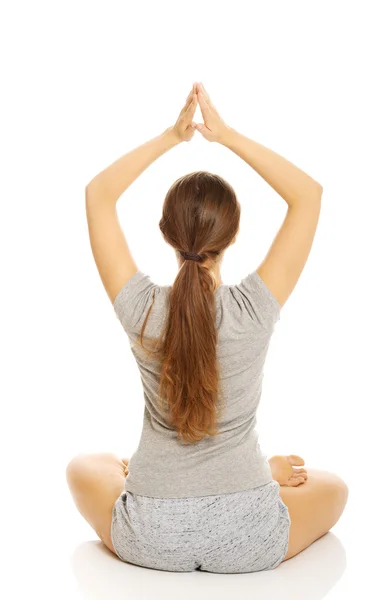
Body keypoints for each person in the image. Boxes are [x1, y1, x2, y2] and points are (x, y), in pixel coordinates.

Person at [66, 82, 348, 573]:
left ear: (166, 234)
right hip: (249, 534)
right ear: (234, 235)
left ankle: (161, 472)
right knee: (335, 487)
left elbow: (98, 196)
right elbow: (308, 195)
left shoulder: (143, 310)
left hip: (150, 535)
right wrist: (228, 136)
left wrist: (171, 137)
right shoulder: (253, 309)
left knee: (84, 466)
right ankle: (263, 474)